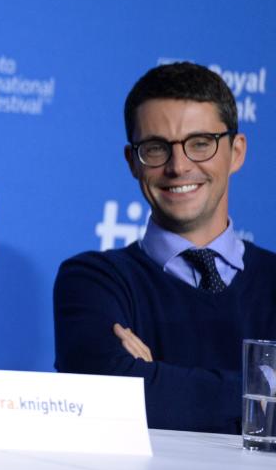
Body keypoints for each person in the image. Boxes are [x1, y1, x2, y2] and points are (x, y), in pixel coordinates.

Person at [54, 61, 276, 433]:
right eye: (156, 149)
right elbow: (105, 397)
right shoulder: (93, 281)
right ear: (132, 162)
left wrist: (151, 377)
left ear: (236, 152)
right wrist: (264, 390)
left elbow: (140, 397)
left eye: (201, 144)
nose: (179, 166)